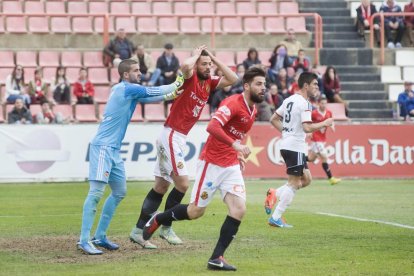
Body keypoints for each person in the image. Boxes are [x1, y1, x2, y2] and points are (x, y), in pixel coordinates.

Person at [142, 67, 266, 271]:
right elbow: (212, 127)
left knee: (239, 209)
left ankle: (216, 257)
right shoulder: (232, 103)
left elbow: (234, 135)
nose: (263, 88)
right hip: (211, 163)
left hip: (230, 166)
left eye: (264, 84)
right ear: (246, 86)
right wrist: (235, 146)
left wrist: (236, 154)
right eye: (258, 84)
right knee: (195, 211)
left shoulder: (253, 111)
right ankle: (159, 218)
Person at [130, 45, 238, 249]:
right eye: (204, 65)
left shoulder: (209, 82)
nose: (208, 68)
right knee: (183, 184)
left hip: (176, 137)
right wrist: (197, 55)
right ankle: (165, 227)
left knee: (161, 186)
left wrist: (213, 57)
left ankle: (137, 231)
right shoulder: (191, 78)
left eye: (209, 65)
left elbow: (233, 79)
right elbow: (184, 65)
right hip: (171, 134)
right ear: (197, 64)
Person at [77, 59, 185, 255]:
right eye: (136, 70)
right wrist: (179, 80)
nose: (140, 73)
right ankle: (83, 240)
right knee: (95, 194)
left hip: (114, 150)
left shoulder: (128, 91)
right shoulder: (126, 88)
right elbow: (156, 91)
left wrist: (173, 93)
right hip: (103, 147)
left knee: (119, 191)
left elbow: (154, 97)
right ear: (126, 74)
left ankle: (99, 236)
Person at [265, 72, 333, 228]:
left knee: (306, 179)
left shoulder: (289, 99)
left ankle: (275, 193)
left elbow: (273, 119)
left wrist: (287, 132)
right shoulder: (304, 104)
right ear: (306, 85)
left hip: (292, 146)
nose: (317, 87)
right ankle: (275, 217)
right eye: (315, 84)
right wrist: (324, 123)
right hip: (294, 147)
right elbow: (307, 127)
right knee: (295, 183)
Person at [307, 96, 341, 185]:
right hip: (316, 138)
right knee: (324, 156)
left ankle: (298, 160)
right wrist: (309, 132)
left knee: (311, 158)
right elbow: (307, 122)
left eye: (325, 103)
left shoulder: (329, 112)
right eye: (322, 103)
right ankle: (331, 178)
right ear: (318, 104)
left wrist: (332, 126)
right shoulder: (314, 113)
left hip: (322, 139)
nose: (324, 105)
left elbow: (331, 121)